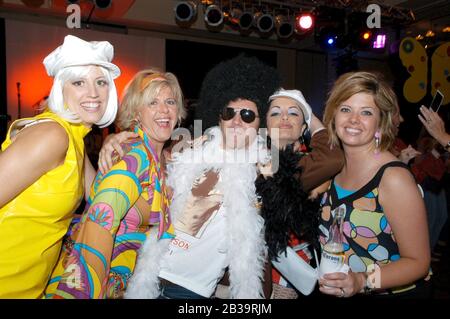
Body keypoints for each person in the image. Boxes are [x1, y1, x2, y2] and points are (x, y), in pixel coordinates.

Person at [122, 55, 281, 299]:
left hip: (190, 290)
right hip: (148, 273)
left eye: (247, 115)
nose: (236, 121)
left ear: (262, 123)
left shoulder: (265, 171)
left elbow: (324, 164)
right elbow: (149, 151)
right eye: (229, 112)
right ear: (219, 116)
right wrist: (119, 138)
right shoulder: (190, 151)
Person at [45, 69, 186, 299]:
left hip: (121, 283)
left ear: (178, 111)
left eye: (170, 101)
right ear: (136, 113)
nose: (164, 110)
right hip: (90, 283)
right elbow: (99, 223)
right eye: (152, 102)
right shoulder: (134, 157)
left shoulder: (161, 159)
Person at [0, 35, 120, 298]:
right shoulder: (53, 135)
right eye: (79, 82)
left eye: (101, 82)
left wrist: (114, 139)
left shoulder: (74, 139)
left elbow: (100, 197)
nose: (93, 93)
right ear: (60, 89)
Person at [319, 71, 431, 298]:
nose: (353, 120)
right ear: (333, 116)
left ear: (381, 122)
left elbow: (418, 262)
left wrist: (362, 281)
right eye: (345, 109)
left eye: (366, 112)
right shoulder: (333, 168)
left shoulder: (393, 178)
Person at [255, 89, 344, 298]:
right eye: (275, 113)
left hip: (289, 281)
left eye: (293, 113)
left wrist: (311, 118)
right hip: (253, 274)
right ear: (265, 127)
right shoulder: (250, 160)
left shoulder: (311, 165)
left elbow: (333, 159)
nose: (284, 117)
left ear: (304, 127)